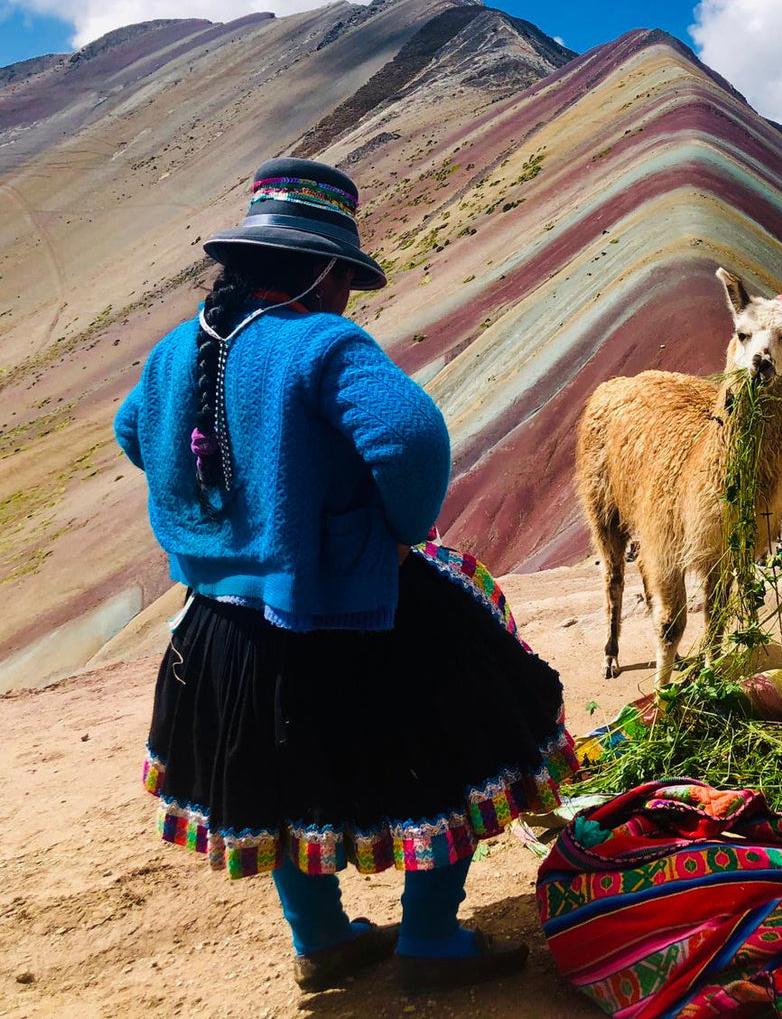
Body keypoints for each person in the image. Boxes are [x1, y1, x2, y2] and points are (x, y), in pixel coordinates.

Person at [114, 157, 577, 994]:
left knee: (284, 787)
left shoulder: (178, 349)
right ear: (325, 271)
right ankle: (431, 941)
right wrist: (395, 532)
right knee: (459, 749)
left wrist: (225, 511)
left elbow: (131, 432)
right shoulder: (321, 343)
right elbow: (408, 437)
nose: (347, 299)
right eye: (347, 283)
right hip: (347, 610)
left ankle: (323, 941)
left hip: (220, 625)